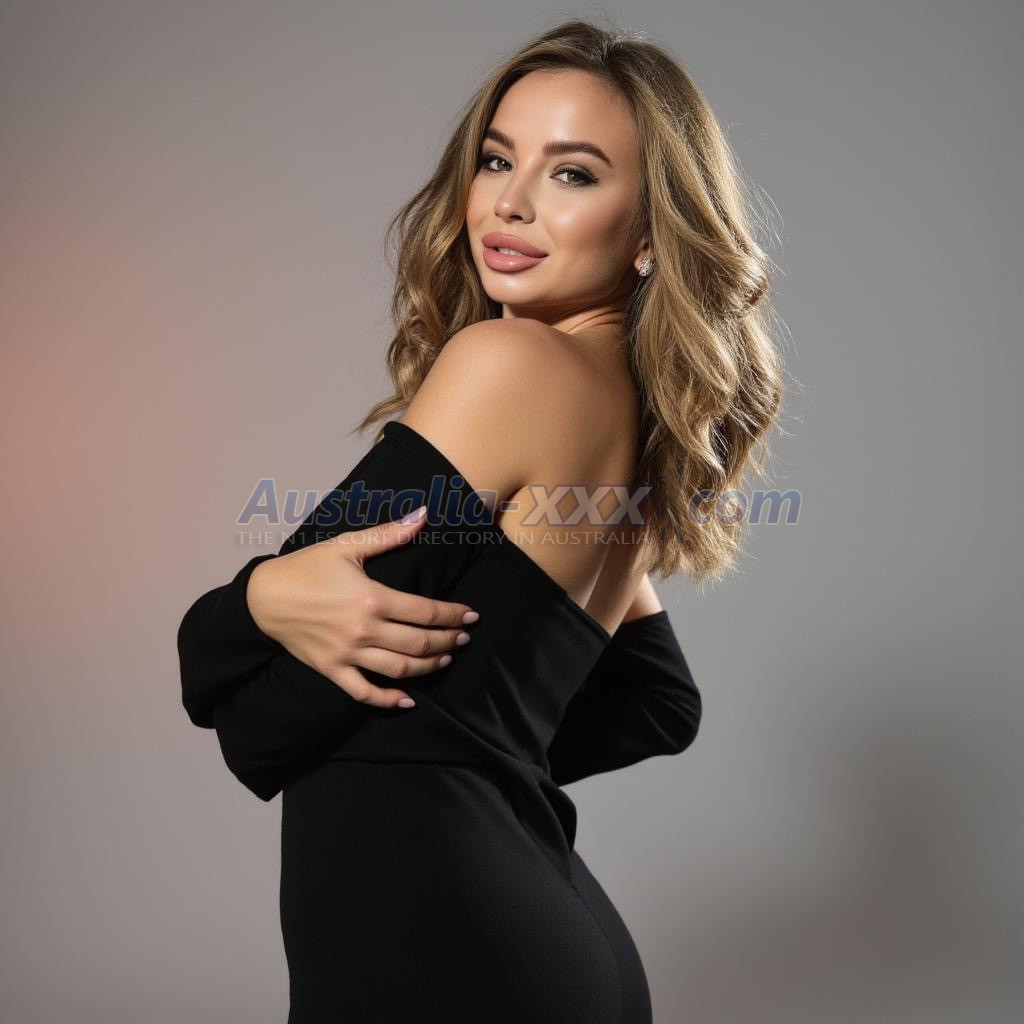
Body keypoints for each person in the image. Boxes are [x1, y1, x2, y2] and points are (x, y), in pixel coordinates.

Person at [177, 18, 784, 1023]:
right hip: (536, 938)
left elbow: (255, 715)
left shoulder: (508, 362)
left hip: (442, 946)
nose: (509, 201)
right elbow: (659, 703)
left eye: (572, 173)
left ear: (649, 233)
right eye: (498, 159)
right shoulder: (634, 420)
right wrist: (472, 744)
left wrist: (242, 607)